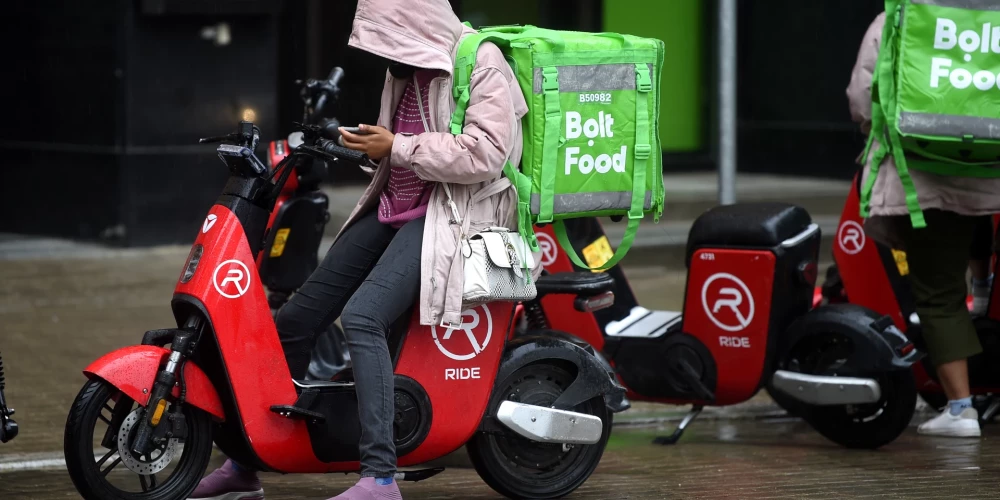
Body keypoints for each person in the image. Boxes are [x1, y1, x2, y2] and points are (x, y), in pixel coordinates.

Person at [189, 1, 528, 499]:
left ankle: (381, 478)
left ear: (416, 28)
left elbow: (487, 153)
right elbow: (396, 145)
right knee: (295, 319)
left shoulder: (481, 63)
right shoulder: (405, 69)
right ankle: (248, 463)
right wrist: (365, 146)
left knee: (364, 318)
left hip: (451, 218)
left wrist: (395, 147)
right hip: (396, 207)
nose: (386, 56)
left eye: (392, 41)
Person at [847, 12, 1000, 438]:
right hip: (991, 169)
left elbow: (863, 95)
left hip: (924, 175)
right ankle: (983, 288)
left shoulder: (900, 16)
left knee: (936, 294)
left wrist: (876, 131)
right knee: (973, 226)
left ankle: (960, 410)